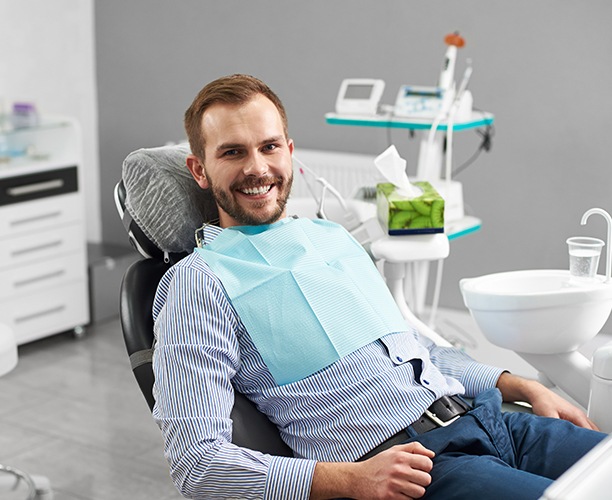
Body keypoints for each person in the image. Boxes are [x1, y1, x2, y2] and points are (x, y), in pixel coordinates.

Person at [152, 74, 605, 500]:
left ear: (289, 151)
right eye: (232, 153)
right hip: (410, 468)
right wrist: (351, 479)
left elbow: (414, 345)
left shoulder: (330, 239)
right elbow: (196, 462)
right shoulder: (198, 283)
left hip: (489, 420)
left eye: (269, 147)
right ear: (199, 170)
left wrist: (521, 385)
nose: (257, 168)